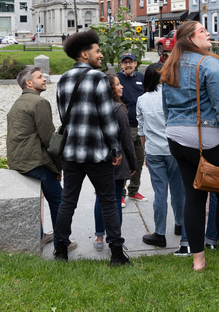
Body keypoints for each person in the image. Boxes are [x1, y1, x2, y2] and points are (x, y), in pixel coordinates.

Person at [161, 21, 219, 271]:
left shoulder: (171, 65)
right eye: (202, 31)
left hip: (176, 138)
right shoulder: (211, 64)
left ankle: (198, 260)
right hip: (206, 138)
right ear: (190, 39)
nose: (208, 33)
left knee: (193, 196)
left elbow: (166, 108)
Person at [54, 30, 131, 266]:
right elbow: (108, 120)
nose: (101, 54)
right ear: (84, 54)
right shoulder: (98, 78)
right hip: (97, 153)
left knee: (68, 201)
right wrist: (116, 150)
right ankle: (117, 253)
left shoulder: (63, 79)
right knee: (109, 201)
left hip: (71, 153)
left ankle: (61, 250)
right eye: (97, 51)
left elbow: (63, 117)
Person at [6, 67, 77, 251]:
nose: (44, 79)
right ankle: (62, 243)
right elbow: (49, 139)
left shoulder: (18, 102)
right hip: (35, 162)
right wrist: (58, 167)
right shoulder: (39, 103)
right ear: (29, 83)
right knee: (59, 200)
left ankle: (40, 236)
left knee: (37, 199)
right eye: (39, 77)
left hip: (18, 161)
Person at [137, 63, 185, 252]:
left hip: (155, 150)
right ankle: (180, 224)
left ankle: (159, 233)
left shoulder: (142, 100)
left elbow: (141, 130)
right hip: (173, 148)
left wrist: (146, 151)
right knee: (178, 190)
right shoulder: (173, 95)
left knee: (160, 193)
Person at [93, 76, 137, 251]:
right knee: (116, 200)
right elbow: (127, 140)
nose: (122, 87)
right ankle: (116, 238)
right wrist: (133, 163)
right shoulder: (118, 108)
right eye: (118, 84)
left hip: (98, 159)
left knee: (100, 198)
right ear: (110, 89)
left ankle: (98, 236)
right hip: (117, 160)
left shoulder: (95, 107)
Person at [117, 52, 147, 206]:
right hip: (124, 126)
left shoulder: (141, 78)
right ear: (121, 64)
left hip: (140, 126)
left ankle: (134, 191)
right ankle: (120, 193)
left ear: (135, 64)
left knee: (139, 160)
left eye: (131, 62)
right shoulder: (117, 79)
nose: (128, 65)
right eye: (125, 62)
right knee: (123, 161)